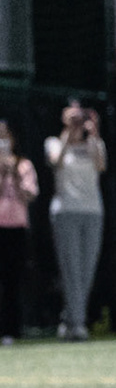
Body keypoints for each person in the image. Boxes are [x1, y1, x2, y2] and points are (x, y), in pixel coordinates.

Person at [44, 102, 107, 340]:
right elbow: (55, 161)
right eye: (72, 118)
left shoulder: (95, 143)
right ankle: (78, 325)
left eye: (80, 118)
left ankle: (69, 319)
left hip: (93, 211)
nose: (77, 122)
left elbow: (101, 165)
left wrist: (95, 134)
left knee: (87, 270)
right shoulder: (54, 141)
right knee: (71, 270)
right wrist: (68, 134)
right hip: (66, 211)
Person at [0, 120, 38, 344]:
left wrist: (12, 172)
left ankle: (11, 330)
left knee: (12, 280)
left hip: (15, 228)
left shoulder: (24, 165)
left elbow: (30, 194)